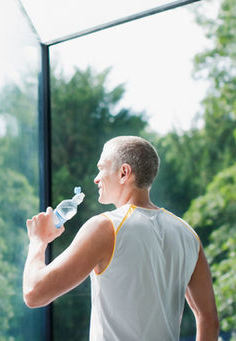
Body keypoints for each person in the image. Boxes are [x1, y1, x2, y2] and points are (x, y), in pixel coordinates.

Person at [23, 136, 219, 341]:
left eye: (101, 169)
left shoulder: (105, 227)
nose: (96, 179)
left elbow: (34, 293)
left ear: (124, 173)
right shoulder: (187, 234)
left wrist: (38, 241)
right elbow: (209, 319)